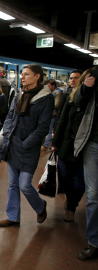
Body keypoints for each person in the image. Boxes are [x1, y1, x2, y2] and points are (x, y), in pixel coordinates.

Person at [0, 64, 53, 227]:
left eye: (26, 74)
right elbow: (10, 115)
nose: (22, 77)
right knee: (13, 184)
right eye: (22, 74)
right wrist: (7, 132)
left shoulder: (46, 98)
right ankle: (13, 217)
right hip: (13, 144)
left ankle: (40, 206)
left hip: (28, 147)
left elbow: (43, 127)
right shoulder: (21, 94)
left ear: (37, 77)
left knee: (25, 185)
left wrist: (27, 143)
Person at [51, 73, 88, 223]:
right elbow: (62, 119)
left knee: (79, 181)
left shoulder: (91, 100)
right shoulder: (70, 97)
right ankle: (69, 196)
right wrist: (55, 142)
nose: (72, 80)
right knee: (64, 175)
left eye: (76, 78)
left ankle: (72, 207)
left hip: (84, 147)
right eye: (71, 78)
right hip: (67, 144)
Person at [71, 66, 98, 260]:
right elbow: (78, 103)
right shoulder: (95, 74)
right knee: (93, 195)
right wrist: (86, 88)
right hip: (94, 143)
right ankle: (94, 242)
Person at [42, 79, 62, 150]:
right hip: (46, 113)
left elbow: (57, 105)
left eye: (49, 86)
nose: (47, 88)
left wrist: (46, 104)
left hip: (52, 114)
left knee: (49, 130)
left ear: (53, 86)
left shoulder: (58, 93)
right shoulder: (47, 92)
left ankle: (45, 145)